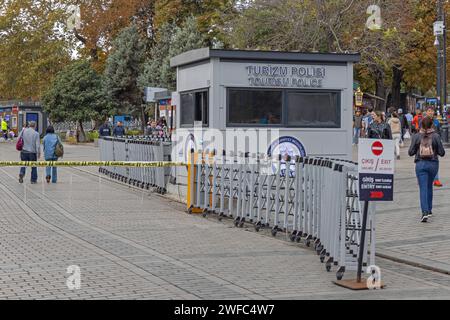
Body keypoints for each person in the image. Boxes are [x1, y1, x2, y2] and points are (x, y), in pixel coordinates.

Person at [408, 117, 445, 223]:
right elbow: (442, 153)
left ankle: (424, 212)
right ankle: (429, 210)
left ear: (421, 125)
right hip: (433, 164)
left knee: (423, 188)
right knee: (429, 186)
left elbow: (410, 152)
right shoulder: (436, 136)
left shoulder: (416, 136)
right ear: (432, 125)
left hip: (420, 164)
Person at [425, 107, 444, 187]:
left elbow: (439, 131)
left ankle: (436, 180)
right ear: (426, 112)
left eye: (432, 111)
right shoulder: (423, 121)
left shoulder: (436, 121)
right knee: (424, 160)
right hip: (425, 143)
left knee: (435, 161)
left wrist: (439, 141)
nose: (430, 112)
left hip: (434, 144)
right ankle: (424, 178)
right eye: (429, 111)